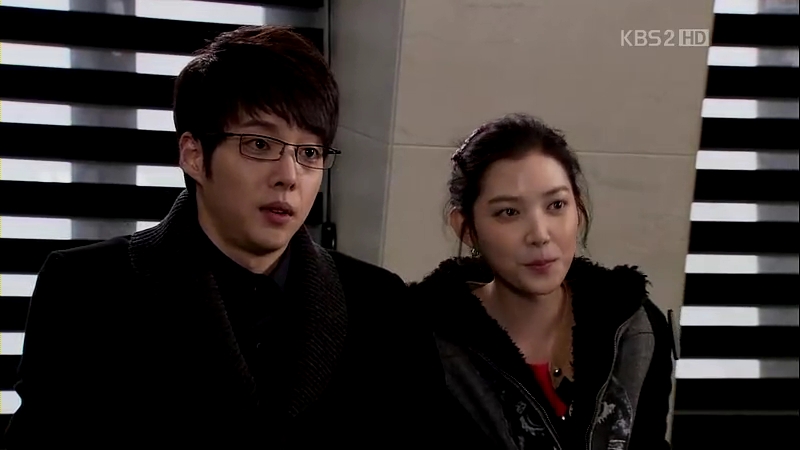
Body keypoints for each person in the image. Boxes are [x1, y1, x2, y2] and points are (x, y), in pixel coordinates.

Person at [4, 26, 439, 449]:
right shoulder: (85, 288)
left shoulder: (381, 303)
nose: (289, 176)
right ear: (194, 155)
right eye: (260, 145)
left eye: (309, 152)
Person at [409, 113, 676, 450]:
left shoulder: (634, 328)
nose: (539, 234)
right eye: (508, 212)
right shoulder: (419, 341)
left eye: (556, 205)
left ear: (578, 211)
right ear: (467, 228)